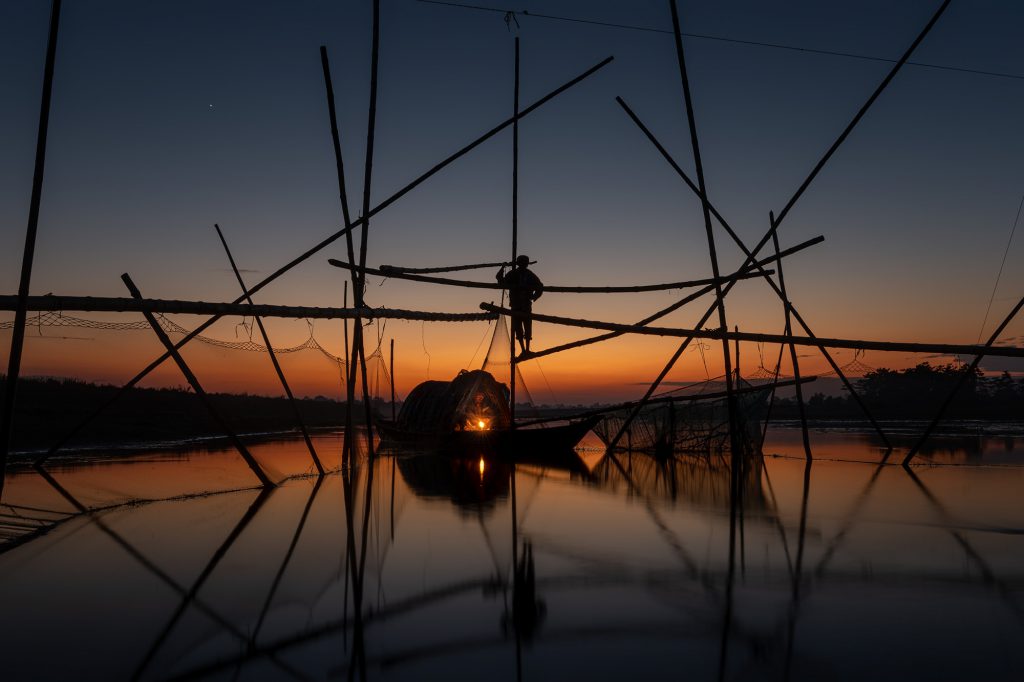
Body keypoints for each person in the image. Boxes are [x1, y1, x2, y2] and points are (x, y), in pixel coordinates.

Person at [496, 255, 543, 357]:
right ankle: (523, 350)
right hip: (517, 305)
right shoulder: (514, 274)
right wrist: (503, 267)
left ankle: (526, 350)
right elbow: (500, 280)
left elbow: (540, 286)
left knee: (527, 327)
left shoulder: (528, 274)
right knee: (518, 328)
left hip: (525, 305)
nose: (524, 265)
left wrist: (534, 297)